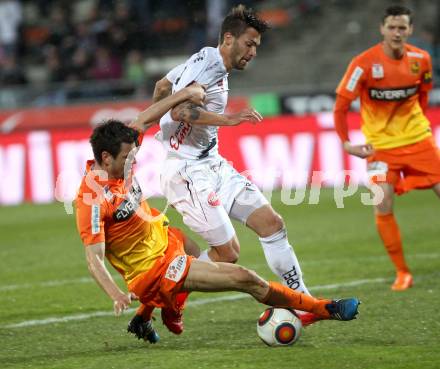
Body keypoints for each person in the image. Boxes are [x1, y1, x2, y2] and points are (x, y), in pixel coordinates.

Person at [75, 110, 360, 344]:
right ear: (105, 158)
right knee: (244, 277)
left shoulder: (121, 150)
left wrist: (179, 97)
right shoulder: (92, 199)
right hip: (152, 272)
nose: (134, 162)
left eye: (135, 156)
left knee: (200, 251)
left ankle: (149, 315)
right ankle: (323, 309)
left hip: (165, 240)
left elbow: (147, 116)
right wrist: (117, 295)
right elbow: (93, 258)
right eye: (128, 159)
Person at [151, 4, 321, 325]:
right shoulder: (208, 69)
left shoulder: (205, 58)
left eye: (257, 46)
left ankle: (304, 302)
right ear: (229, 38)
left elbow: (162, 86)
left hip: (213, 164)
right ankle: (168, 291)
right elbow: (179, 112)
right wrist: (229, 120)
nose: (253, 52)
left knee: (272, 224)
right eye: (250, 43)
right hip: (187, 173)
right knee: (227, 255)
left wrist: (157, 123)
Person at [333, 5, 440, 291]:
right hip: (379, 148)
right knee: (381, 204)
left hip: (419, 141)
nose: (397, 32)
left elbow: (424, 95)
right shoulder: (362, 64)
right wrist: (346, 143)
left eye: (402, 27)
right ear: (382, 29)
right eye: (392, 27)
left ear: (410, 30)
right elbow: (341, 106)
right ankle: (402, 272)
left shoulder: (422, 59)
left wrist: (415, 126)